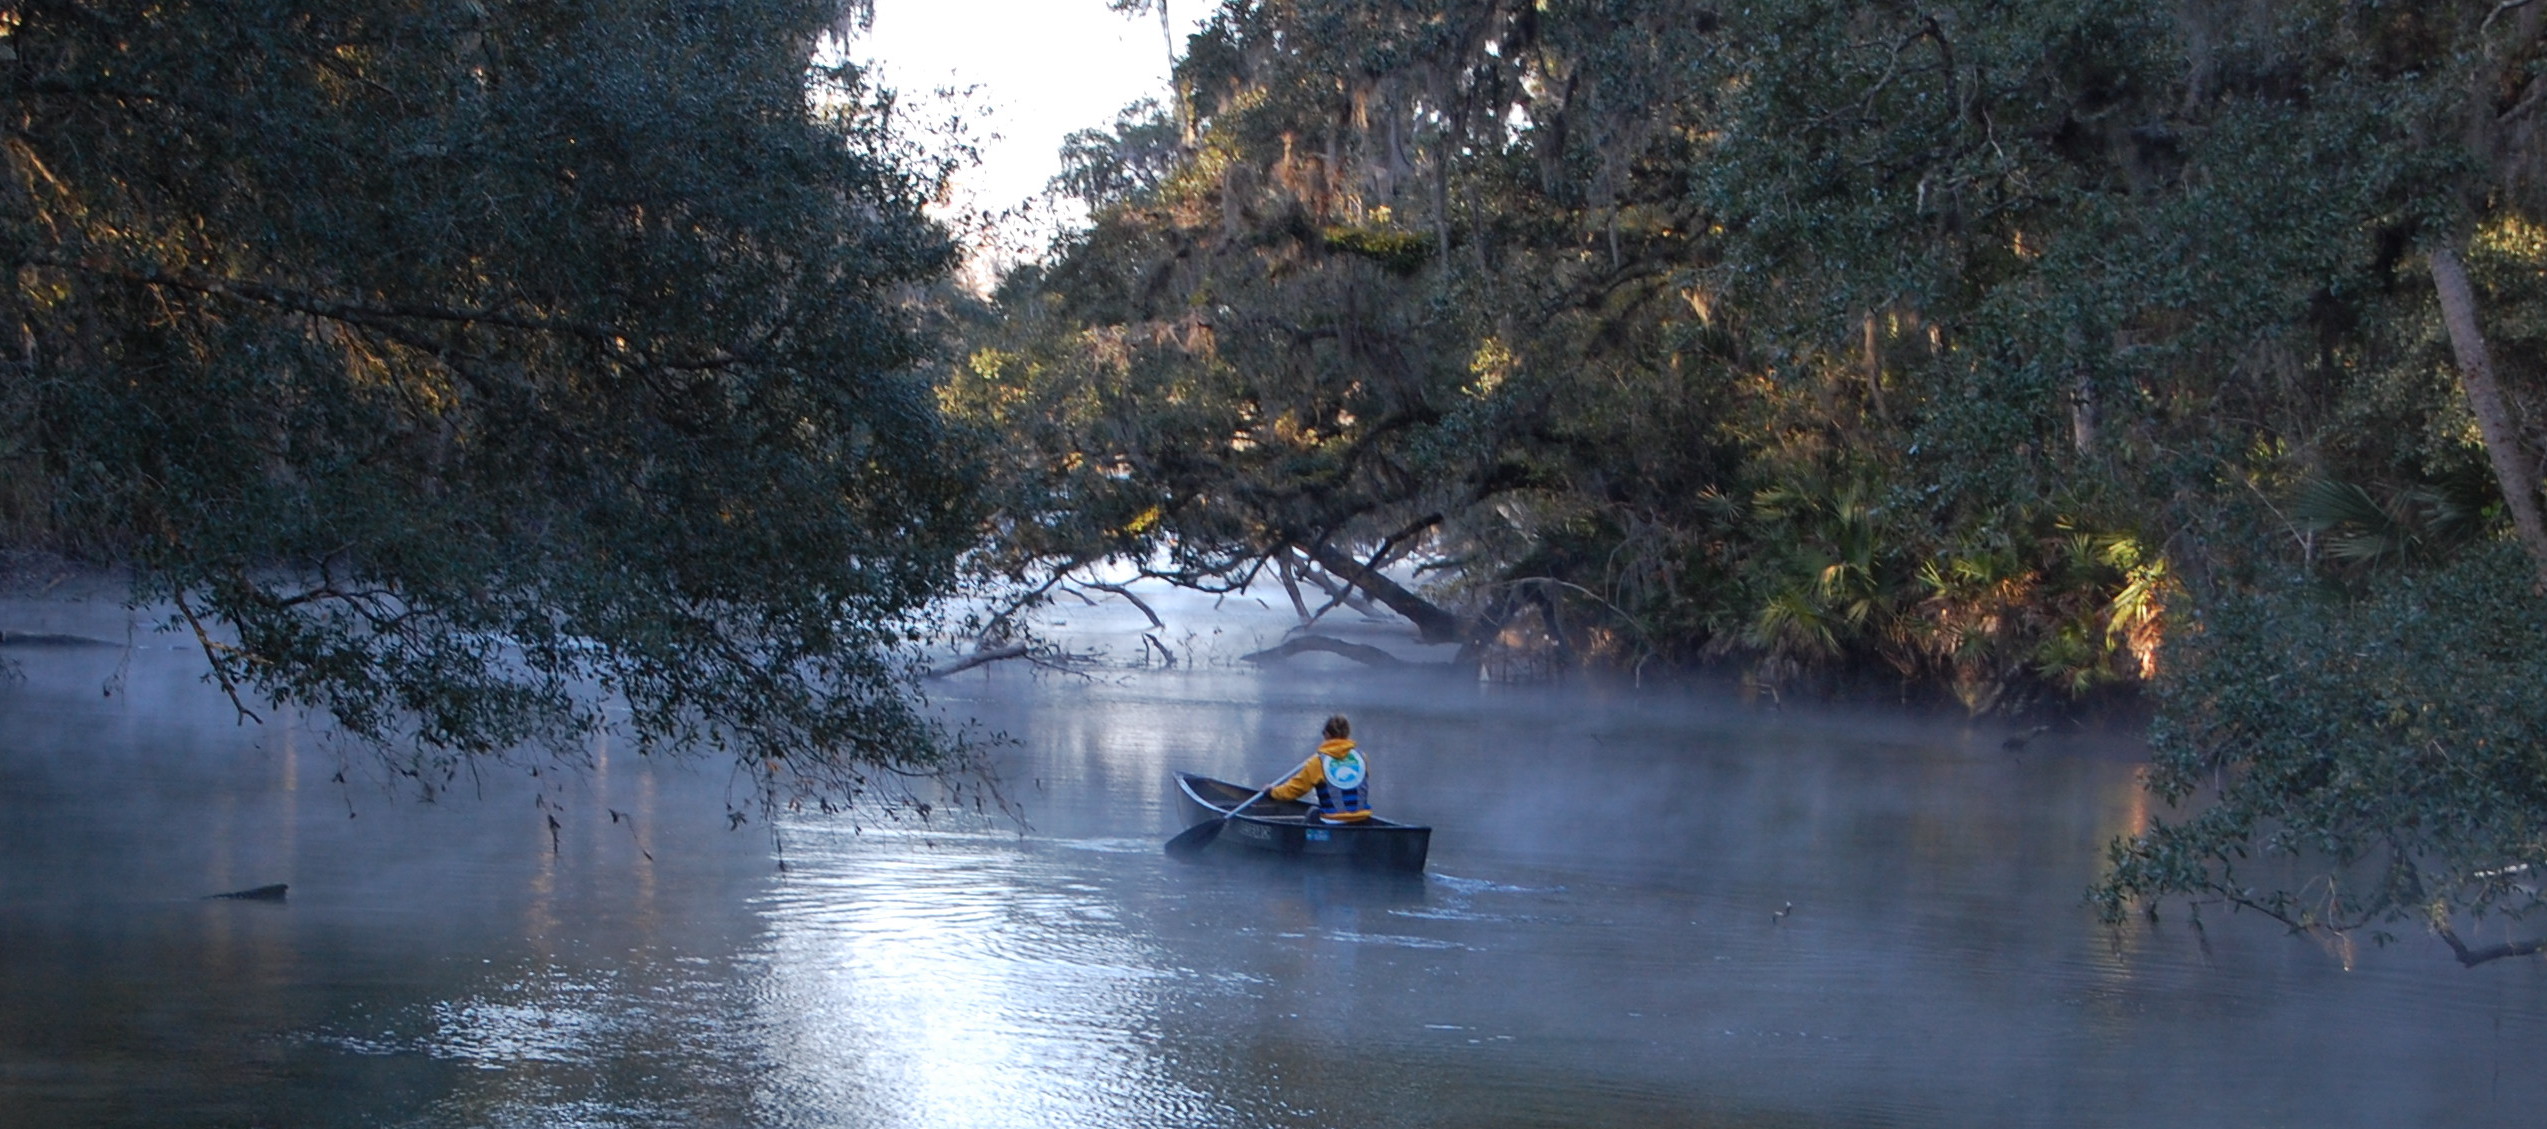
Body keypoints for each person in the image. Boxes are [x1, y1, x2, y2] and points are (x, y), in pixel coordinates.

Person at [1268, 714, 1371, 823]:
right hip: (1362, 819)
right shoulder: (1362, 757)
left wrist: (1272, 792)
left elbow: (1294, 790)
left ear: (1327, 734)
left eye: (1323, 733)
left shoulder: (1318, 761)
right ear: (1347, 734)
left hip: (1332, 821)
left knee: (1313, 812)